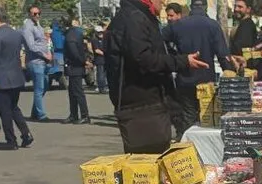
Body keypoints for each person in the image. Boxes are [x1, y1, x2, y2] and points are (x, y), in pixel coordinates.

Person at [106, 0, 208, 154]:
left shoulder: (140, 16)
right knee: (147, 160)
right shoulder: (133, 18)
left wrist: (180, 59)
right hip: (142, 105)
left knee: (156, 156)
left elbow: (152, 53)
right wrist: (180, 61)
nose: (163, 2)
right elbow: (144, 59)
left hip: (149, 103)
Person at [166, 0, 229, 137]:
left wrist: (174, 56)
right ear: (205, 7)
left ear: (190, 6)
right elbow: (222, 55)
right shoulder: (213, 25)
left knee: (187, 118)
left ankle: (186, 145)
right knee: (206, 120)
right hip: (206, 81)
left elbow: (160, 40)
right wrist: (231, 75)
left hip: (185, 78)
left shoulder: (178, 25)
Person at [0, 9, 33, 150]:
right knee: (14, 107)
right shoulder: (16, 34)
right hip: (16, 76)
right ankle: (26, 133)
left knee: (5, 111)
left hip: (2, 78)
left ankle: (11, 140)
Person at [21, 5, 51, 122]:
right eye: (34, 13)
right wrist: (44, 55)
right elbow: (31, 46)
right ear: (29, 14)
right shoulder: (27, 27)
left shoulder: (38, 25)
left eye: (39, 13)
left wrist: (48, 52)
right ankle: (41, 115)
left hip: (43, 61)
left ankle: (35, 112)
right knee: (39, 88)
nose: (37, 15)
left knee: (45, 85)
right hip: (35, 62)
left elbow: (43, 41)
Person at [62, 18, 88, 123]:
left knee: (77, 92)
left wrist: (82, 61)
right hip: (75, 66)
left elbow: (74, 52)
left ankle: (84, 116)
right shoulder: (76, 33)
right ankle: (74, 115)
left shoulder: (70, 35)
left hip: (74, 66)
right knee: (73, 92)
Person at [90, 24, 107, 94]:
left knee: (104, 75)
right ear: (96, 33)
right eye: (99, 32)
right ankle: (101, 88)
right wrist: (105, 54)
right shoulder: (95, 40)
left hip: (105, 60)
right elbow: (96, 50)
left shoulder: (103, 39)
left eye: (101, 32)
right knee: (100, 75)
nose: (101, 33)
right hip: (99, 60)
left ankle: (104, 87)